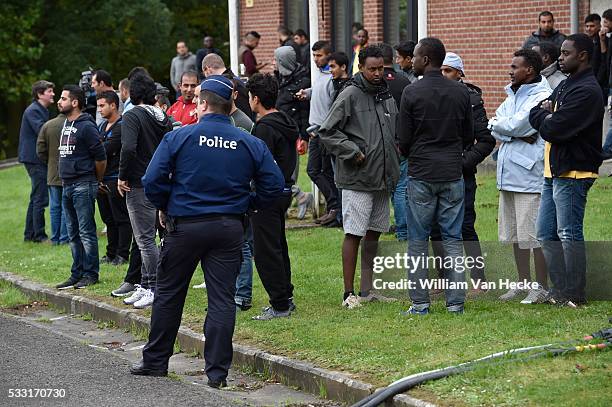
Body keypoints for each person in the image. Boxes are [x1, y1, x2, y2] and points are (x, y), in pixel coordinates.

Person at [130, 75, 284, 388]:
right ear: (231, 106)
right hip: (228, 228)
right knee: (222, 300)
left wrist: (166, 204)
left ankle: (156, 362)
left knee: (170, 295)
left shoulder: (180, 137)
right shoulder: (248, 140)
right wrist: (248, 204)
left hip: (184, 226)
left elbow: (152, 180)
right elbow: (275, 185)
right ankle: (217, 374)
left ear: (202, 104)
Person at [319, 45, 400, 309]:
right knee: (354, 233)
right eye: (372, 69)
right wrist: (352, 151)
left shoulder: (386, 95)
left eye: (381, 69)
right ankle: (348, 293)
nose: (377, 74)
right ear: (361, 68)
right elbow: (327, 131)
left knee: (375, 232)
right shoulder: (350, 94)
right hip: (357, 178)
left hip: (382, 177)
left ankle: (368, 290)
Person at [398, 38, 473, 315]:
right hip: (452, 172)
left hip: (421, 172)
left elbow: (403, 139)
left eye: (415, 56)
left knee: (418, 241)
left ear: (426, 59)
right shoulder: (460, 93)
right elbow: (469, 135)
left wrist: (415, 150)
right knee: (452, 239)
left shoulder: (411, 92)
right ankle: (455, 303)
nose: (412, 60)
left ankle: (420, 303)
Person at [529, 34, 604, 307]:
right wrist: (545, 113)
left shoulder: (587, 90)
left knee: (569, 233)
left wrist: (547, 116)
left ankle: (574, 293)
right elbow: (535, 112)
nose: (560, 57)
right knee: (545, 232)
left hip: (574, 172)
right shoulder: (566, 85)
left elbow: (554, 128)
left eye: (565, 53)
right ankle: (558, 290)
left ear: (582, 55)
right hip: (554, 170)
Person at [488, 49, 551, 304]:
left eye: (515, 67)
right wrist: (508, 130)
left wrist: (510, 129)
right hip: (508, 174)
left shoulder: (542, 96)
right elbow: (496, 124)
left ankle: (541, 287)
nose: (510, 70)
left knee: (532, 236)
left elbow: (515, 125)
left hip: (528, 175)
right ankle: (522, 282)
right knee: (514, 235)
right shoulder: (512, 94)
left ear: (530, 70)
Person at [430, 52, 495, 291]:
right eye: (441, 70)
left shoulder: (471, 99)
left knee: (465, 225)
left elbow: (485, 140)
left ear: (459, 73)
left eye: (448, 71)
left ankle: (479, 279)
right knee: (435, 226)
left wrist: (463, 162)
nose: (444, 75)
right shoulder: (431, 94)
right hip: (434, 171)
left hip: (461, 173)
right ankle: (441, 276)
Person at [246, 73, 299, 320]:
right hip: (284, 190)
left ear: (255, 99)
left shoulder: (263, 128)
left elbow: (257, 163)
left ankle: (279, 304)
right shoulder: (285, 120)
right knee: (278, 244)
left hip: (266, 194)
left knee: (266, 250)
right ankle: (285, 296)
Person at [118, 73, 173, 309]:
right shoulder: (162, 115)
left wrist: (122, 175)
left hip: (139, 183)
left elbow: (128, 147)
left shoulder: (132, 114)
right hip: (160, 181)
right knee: (156, 237)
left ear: (132, 93)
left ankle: (153, 288)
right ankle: (145, 283)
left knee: (144, 240)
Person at [55, 85, 107, 290]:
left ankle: (90, 273)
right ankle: (76, 273)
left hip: (83, 183)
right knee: (73, 233)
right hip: (66, 184)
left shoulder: (87, 125)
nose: (59, 101)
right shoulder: (66, 124)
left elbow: (100, 157)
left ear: (75, 102)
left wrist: (96, 179)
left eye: (63, 98)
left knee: (86, 231)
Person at [295, 40, 341, 227]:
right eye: (314, 55)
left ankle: (335, 208)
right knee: (320, 171)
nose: (315, 59)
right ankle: (334, 208)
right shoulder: (321, 76)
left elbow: (334, 107)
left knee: (318, 171)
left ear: (329, 55)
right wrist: (307, 93)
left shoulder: (332, 78)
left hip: (323, 133)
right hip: (315, 131)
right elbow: (319, 92)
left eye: (319, 55)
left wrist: (322, 130)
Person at [274, 45, 313, 220]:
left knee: (288, 173)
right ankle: (300, 197)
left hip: (291, 133)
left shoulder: (302, 81)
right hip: (277, 130)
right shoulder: (280, 79)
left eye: (278, 60)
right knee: (278, 170)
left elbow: (304, 111)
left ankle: (299, 198)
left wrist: (303, 137)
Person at [380, 43, 412, 242]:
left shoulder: (369, 81)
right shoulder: (404, 82)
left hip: (378, 144)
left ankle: (376, 227)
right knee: (401, 188)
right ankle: (403, 231)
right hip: (401, 142)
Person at [96, 91, 132, 266]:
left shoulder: (122, 125)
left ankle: (123, 254)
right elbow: (97, 148)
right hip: (101, 179)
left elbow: (105, 149)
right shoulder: (102, 126)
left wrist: (98, 147)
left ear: (113, 105)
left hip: (115, 178)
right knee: (108, 219)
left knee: (121, 218)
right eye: (98, 106)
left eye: (102, 105)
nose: (99, 109)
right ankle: (111, 253)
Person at [19, 80, 55, 243]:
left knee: (36, 197)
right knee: (40, 197)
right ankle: (39, 236)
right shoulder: (34, 111)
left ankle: (29, 234)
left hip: (34, 158)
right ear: (40, 94)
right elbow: (43, 131)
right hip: (34, 159)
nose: (53, 94)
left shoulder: (40, 109)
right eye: (49, 91)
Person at [36, 107, 68, 245]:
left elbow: (40, 149)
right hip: (69, 172)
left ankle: (55, 238)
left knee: (55, 207)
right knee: (66, 207)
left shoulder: (48, 125)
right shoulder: (72, 125)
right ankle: (64, 237)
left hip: (52, 172)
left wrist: (49, 161)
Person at [202, 53, 254, 120]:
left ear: (207, 69)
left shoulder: (231, 85)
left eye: (204, 74)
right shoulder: (236, 82)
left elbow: (244, 115)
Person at [600, 9, 612, 159]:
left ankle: (607, 150)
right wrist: (603, 40)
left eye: (606, 22)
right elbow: (605, 58)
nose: (603, 25)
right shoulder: (608, 38)